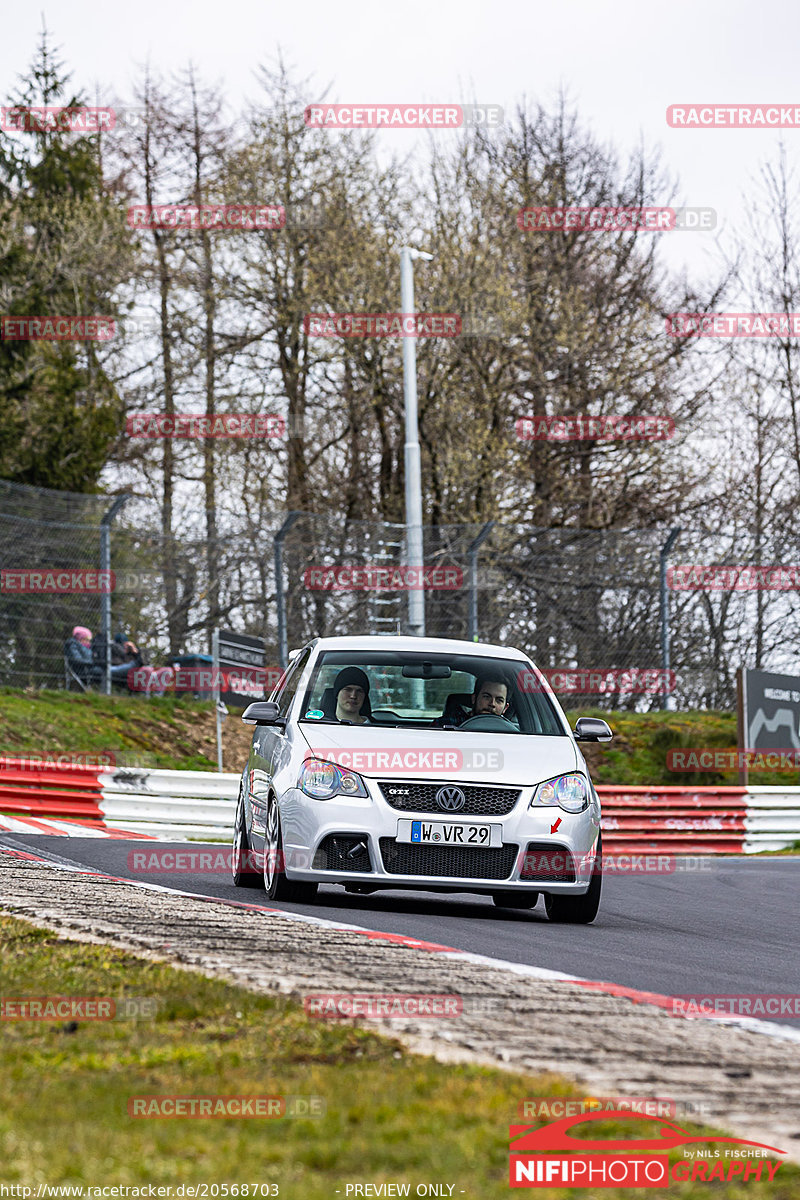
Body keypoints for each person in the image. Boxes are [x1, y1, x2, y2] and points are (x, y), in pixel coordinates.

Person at [435, 676, 510, 727]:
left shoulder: (512, 733)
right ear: (474, 699)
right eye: (486, 697)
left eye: (499, 700)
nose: (492, 704)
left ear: (505, 708)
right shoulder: (446, 724)